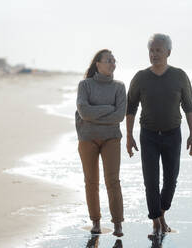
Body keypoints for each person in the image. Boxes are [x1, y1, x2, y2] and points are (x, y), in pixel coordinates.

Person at [126, 33, 192, 235]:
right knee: (150, 181)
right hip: (148, 135)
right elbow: (130, 108)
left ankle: (161, 212)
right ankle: (156, 222)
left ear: (168, 52)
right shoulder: (140, 77)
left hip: (173, 134)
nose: (154, 54)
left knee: (171, 180)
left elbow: (189, 106)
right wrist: (129, 136)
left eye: (158, 50)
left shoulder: (180, 75)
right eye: (151, 50)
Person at [76, 49, 126, 237]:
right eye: (108, 60)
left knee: (113, 181)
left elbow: (119, 116)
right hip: (87, 138)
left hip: (111, 138)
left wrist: (94, 114)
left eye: (114, 60)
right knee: (91, 182)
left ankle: (118, 224)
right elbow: (83, 112)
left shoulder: (119, 87)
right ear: (98, 64)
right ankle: (95, 222)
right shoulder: (85, 85)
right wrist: (107, 108)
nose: (113, 63)